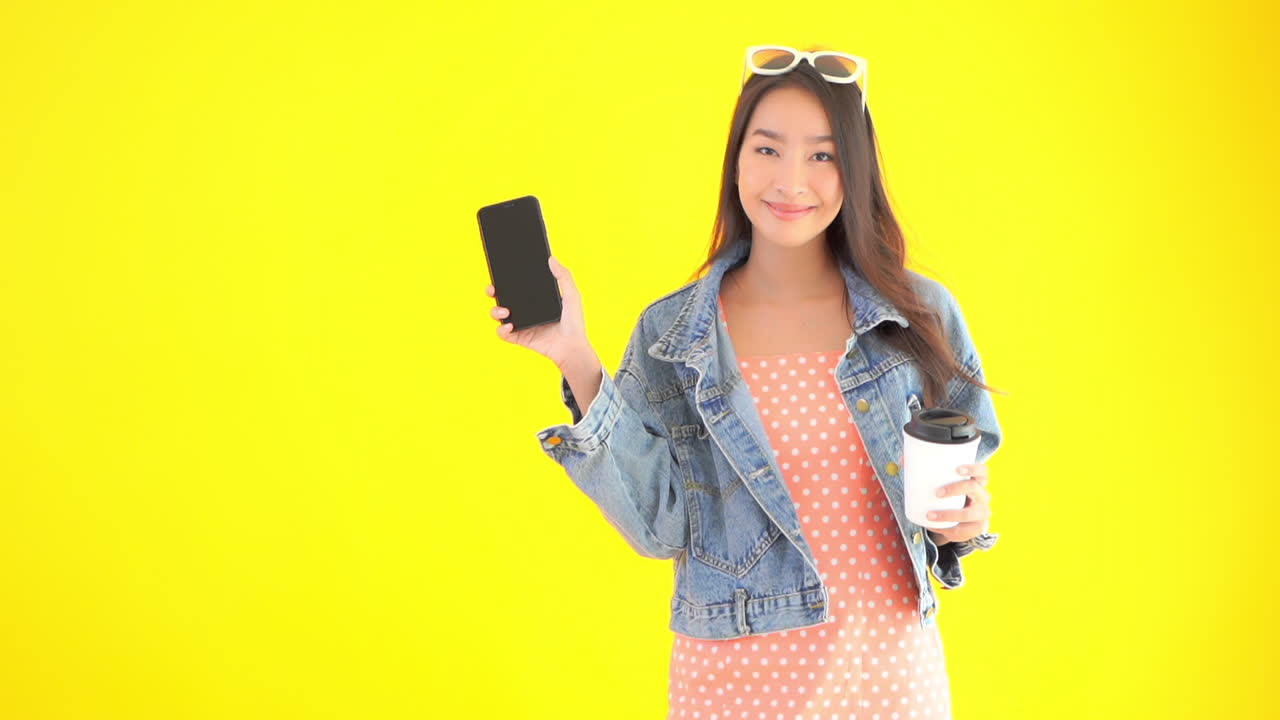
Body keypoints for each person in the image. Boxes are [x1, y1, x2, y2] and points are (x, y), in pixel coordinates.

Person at [484, 45, 1003, 720]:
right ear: (735, 161)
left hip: (887, 682)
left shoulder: (917, 315)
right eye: (767, 149)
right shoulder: (673, 334)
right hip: (731, 690)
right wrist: (575, 356)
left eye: (823, 154)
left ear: (857, 169)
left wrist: (965, 522)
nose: (791, 180)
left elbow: (958, 501)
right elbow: (659, 528)